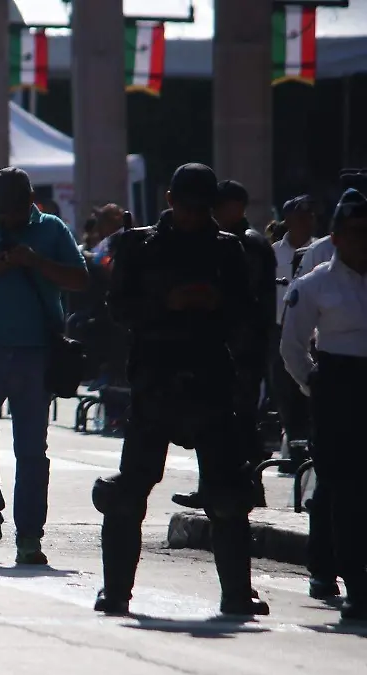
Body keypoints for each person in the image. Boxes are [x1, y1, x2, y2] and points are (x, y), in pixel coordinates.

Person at [94, 163, 267, 617]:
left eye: (201, 209)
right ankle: (115, 591)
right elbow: (117, 308)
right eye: (186, 206)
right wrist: (165, 303)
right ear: (170, 199)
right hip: (156, 376)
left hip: (210, 376)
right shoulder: (141, 245)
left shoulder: (228, 250)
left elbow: (246, 317)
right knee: (129, 490)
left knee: (228, 493)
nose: (192, 217)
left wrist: (215, 304)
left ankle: (236, 593)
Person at [0, 167, 88, 565]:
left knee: (31, 449)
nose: (9, 218)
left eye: (16, 210)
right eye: (2, 211)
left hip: (34, 352)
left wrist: (35, 262)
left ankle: (29, 535)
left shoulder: (51, 229)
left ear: (30, 201)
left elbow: (80, 279)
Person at [280, 187, 367, 622]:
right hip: (338, 385)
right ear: (335, 238)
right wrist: (314, 385)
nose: (361, 241)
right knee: (342, 487)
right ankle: (353, 580)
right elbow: (293, 345)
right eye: (354, 233)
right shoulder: (314, 284)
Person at [173, 180, 276, 509]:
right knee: (211, 421)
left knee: (242, 420)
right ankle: (212, 486)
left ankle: (248, 486)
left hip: (243, 348)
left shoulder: (248, 245)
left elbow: (249, 302)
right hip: (220, 346)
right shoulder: (214, 243)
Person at [269, 195, 316, 472]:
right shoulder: (274, 253)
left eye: (309, 218)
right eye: (299, 218)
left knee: (311, 394)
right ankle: (294, 451)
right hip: (280, 330)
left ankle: (310, 452)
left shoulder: (322, 250)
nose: (305, 223)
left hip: (315, 334)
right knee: (284, 393)